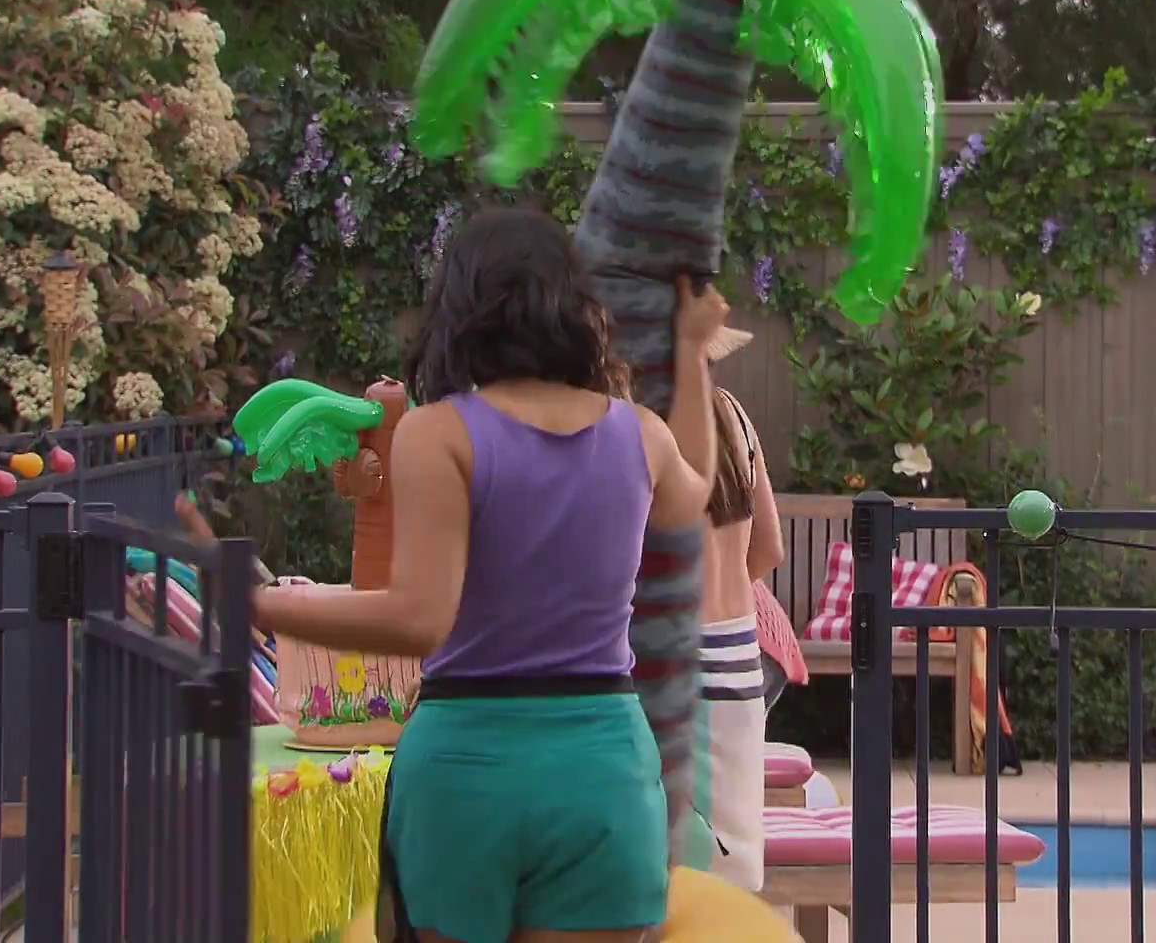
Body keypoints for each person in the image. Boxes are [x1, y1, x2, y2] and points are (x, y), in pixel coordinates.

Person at [239, 207, 729, 943]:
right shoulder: (640, 434)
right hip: (601, 768)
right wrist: (692, 354)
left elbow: (417, 619)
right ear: (575, 309)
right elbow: (696, 494)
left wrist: (256, 604)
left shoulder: (439, 432)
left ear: (460, 311)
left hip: (466, 767)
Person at [683, 346, 785, 893]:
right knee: (731, 859)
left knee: (673, 868)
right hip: (741, 661)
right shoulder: (733, 414)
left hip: (674, 661)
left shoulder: (642, 425)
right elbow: (768, 548)